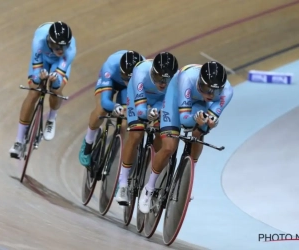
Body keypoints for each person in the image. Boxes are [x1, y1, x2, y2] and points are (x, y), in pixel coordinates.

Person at [138, 61, 234, 213]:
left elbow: (210, 119)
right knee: (169, 146)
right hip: (175, 98)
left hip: (199, 104)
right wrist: (195, 119)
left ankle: (188, 176)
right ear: (200, 82)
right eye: (206, 89)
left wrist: (209, 122)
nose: (210, 95)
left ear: (221, 89)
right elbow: (184, 120)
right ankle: (149, 188)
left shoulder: (227, 92)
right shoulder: (187, 78)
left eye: (215, 92)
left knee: (198, 132)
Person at [115, 52, 179, 206]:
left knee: (162, 136)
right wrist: (147, 114)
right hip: (138, 98)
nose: (163, 83)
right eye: (159, 79)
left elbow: (171, 102)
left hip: (160, 102)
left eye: (166, 80)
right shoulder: (140, 73)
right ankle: (122, 184)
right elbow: (140, 108)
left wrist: (159, 112)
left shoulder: (177, 80)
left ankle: (152, 171)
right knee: (136, 135)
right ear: (152, 72)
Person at [9, 21, 76, 159]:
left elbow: (57, 83)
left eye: (64, 46)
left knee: (55, 89)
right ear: (49, 42)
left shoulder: (69, 51)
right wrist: (39, 78)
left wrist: (54, 80)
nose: (61, 50)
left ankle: (52, 118)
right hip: (43, 59)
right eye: (57, 46)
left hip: (59, 63)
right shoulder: (38, 42)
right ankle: (19, 140)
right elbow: (35, 78)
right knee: (34, 91)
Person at [78, 50, 145, 167]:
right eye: (125, 77)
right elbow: (105, 101)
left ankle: (118, 153)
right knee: (101, 109)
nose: (127, 82)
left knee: (126, 122)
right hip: (111, 80)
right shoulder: (110, 66)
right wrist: (115, 106)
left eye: (131, 79)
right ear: (121, 71)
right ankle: (88, 142)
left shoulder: (144, 72)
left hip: (130, 89)